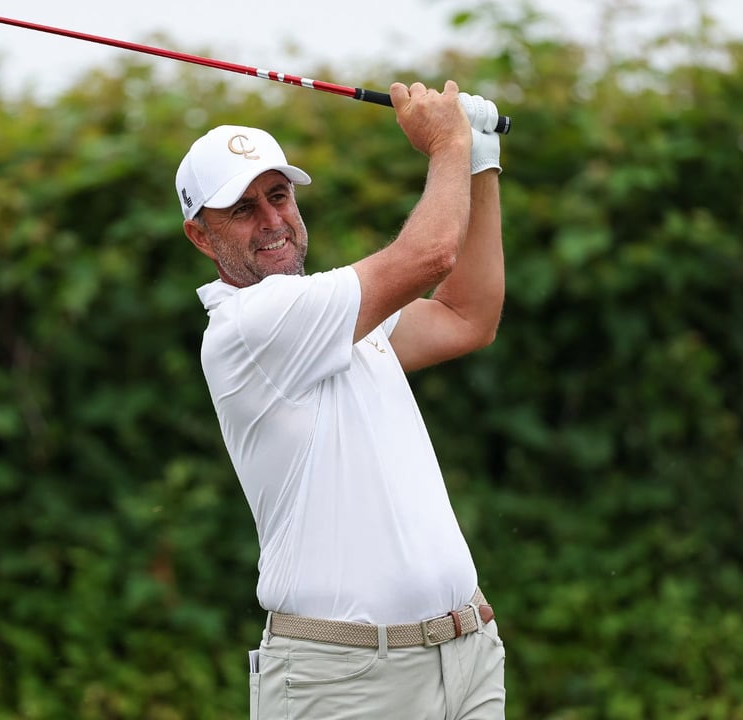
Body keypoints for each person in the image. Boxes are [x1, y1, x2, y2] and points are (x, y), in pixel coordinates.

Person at [177, 80, 506, 719]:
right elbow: (430, 254)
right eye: (242, 210)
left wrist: (480, 161)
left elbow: (469, 316)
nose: (272, 221)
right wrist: (447, 144)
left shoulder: (339, 316)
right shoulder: (252, 324)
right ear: (200, 236)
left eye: (279, 196)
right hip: (347, 681)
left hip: (466, 656)